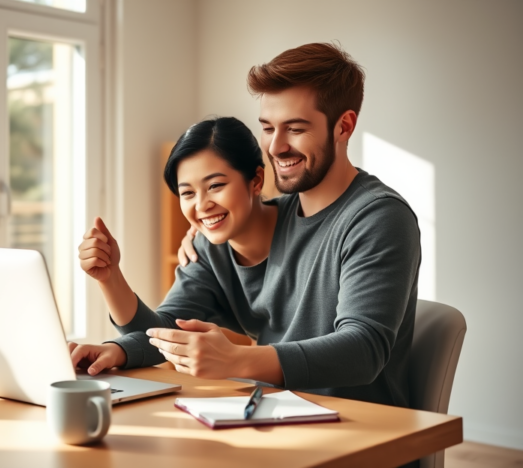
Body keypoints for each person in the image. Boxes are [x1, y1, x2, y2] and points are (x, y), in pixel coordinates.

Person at [70, 42, 421, 411]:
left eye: (296, 128)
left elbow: (363, 350)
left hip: (363, 432)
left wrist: (237, 359)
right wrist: (114, 344)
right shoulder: (240, 230)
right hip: (275, 415)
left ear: (344, 126)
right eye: (268, 128)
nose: (276, 146)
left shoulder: (377, 217)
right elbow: (167, 328)